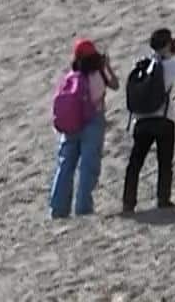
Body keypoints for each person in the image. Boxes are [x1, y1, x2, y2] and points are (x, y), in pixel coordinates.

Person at [123, 28, 175, 214]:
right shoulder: (171, 66)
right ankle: (163, 200)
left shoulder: (142, 63)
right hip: (163, 119)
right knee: (164, 162)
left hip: (141, 120)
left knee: (135, 163)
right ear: (168, 43)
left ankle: (128, 202)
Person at [49, 38, 118, 218]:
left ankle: (57, 209)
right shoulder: (99, 73)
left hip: (71, 124)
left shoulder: (71, 76)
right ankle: (83, 207)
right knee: (88, 166)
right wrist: (107, 66)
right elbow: (115, 84)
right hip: (93, 121)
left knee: (64, 166)